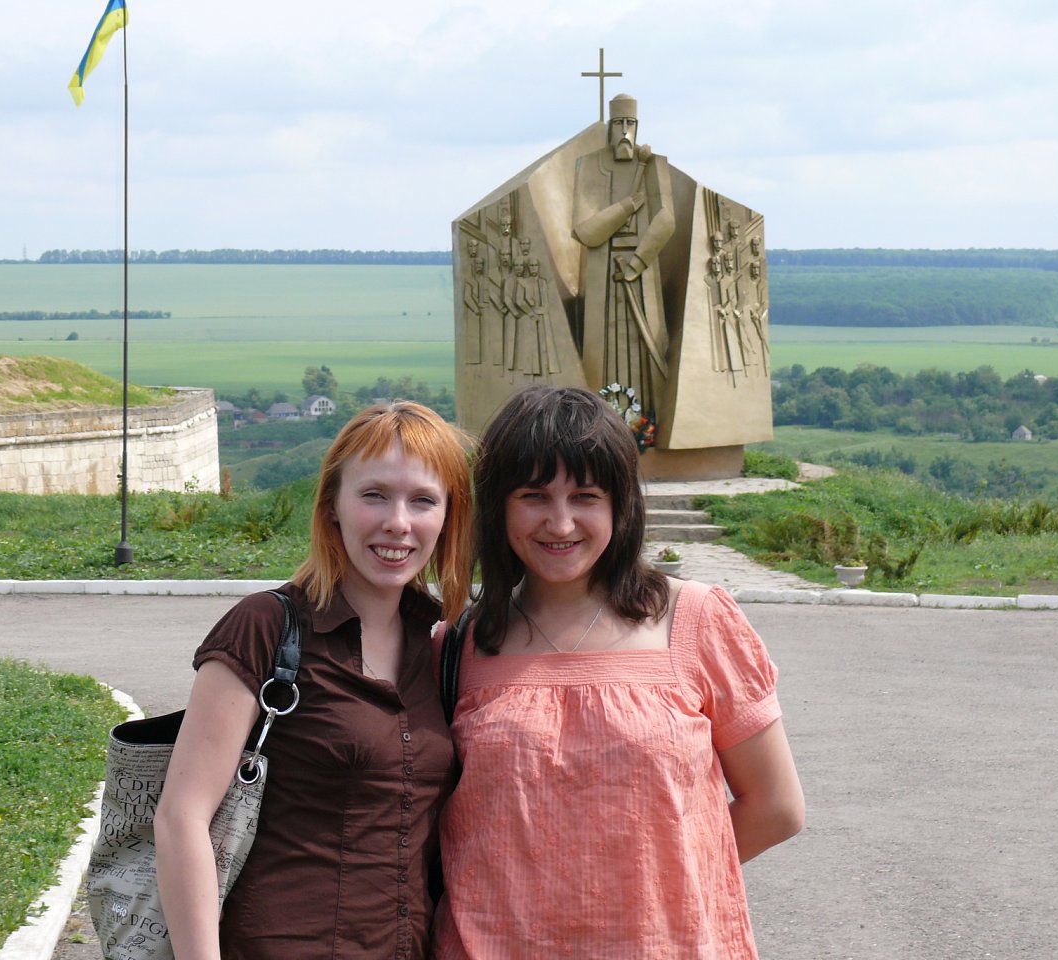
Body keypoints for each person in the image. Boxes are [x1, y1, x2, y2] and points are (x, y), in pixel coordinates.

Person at [433, 384, 804, 959]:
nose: (560, 523)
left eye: (585, 496)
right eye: (534, 496)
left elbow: (776, 806)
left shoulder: (695, 620)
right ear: (498, 505)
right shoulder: (458, 643)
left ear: (620, 504)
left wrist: (656, 883)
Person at [156, 401, 473, 960]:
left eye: (423, 500)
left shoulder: (439, 645)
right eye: (374, 495)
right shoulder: (266, 626)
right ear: (332, 506)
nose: (398, 522)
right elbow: (182, 817)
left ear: (448, 516)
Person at [573, 93, 675, 414]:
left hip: (640, 273)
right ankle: (599, 418)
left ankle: (646, 419)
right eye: (619, 123)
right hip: (603, 274)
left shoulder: (653, 165)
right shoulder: (590, 165)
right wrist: (626, 207)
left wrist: (637, 262)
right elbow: (586, 231)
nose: (625, 131)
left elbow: (666, 219)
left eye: (630, 123)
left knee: (645, 348)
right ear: (609, 127)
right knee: (603, 352)